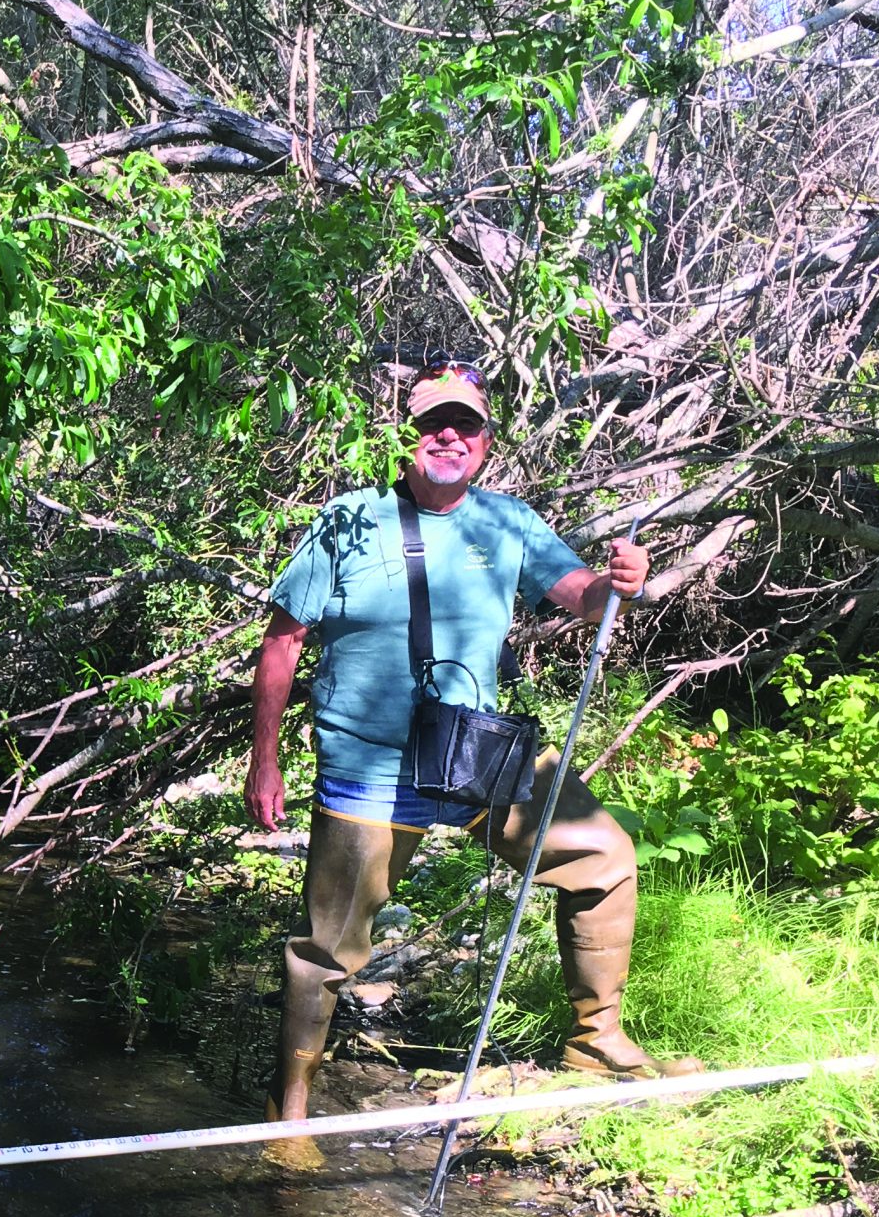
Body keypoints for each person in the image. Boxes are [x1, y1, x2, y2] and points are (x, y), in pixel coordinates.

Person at [243, 362, 693, 1171]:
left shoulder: (509, 523)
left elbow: (581, 593)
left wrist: (620, 586)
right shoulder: (348, 520)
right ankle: (292, 1117)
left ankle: (598, 1041)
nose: (449, 436)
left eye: (467, 425)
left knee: (605, 856)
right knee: (329, 950)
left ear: (486, 442)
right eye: (432, 422)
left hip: (474, 750)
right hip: (370, 763)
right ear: (402, 432)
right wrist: (264, 761)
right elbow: (282, 645)